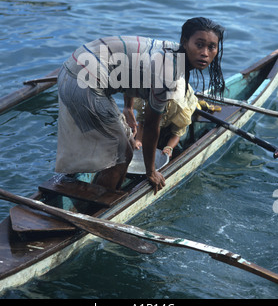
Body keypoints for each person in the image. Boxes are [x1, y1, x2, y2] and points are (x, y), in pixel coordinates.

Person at [55, 17, 225, 195]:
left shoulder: (170, 50)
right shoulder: (168, 72)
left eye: (211, 47)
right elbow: (152, 126)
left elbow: (133, 68)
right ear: (184, 42)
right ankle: (99, 205)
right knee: (122, 155)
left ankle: (106, 190)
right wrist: (150, 171)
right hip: (81, 81)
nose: (205, 52)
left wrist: (128, 108)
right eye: (199, 45)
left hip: (74, 68)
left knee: (126, 143)